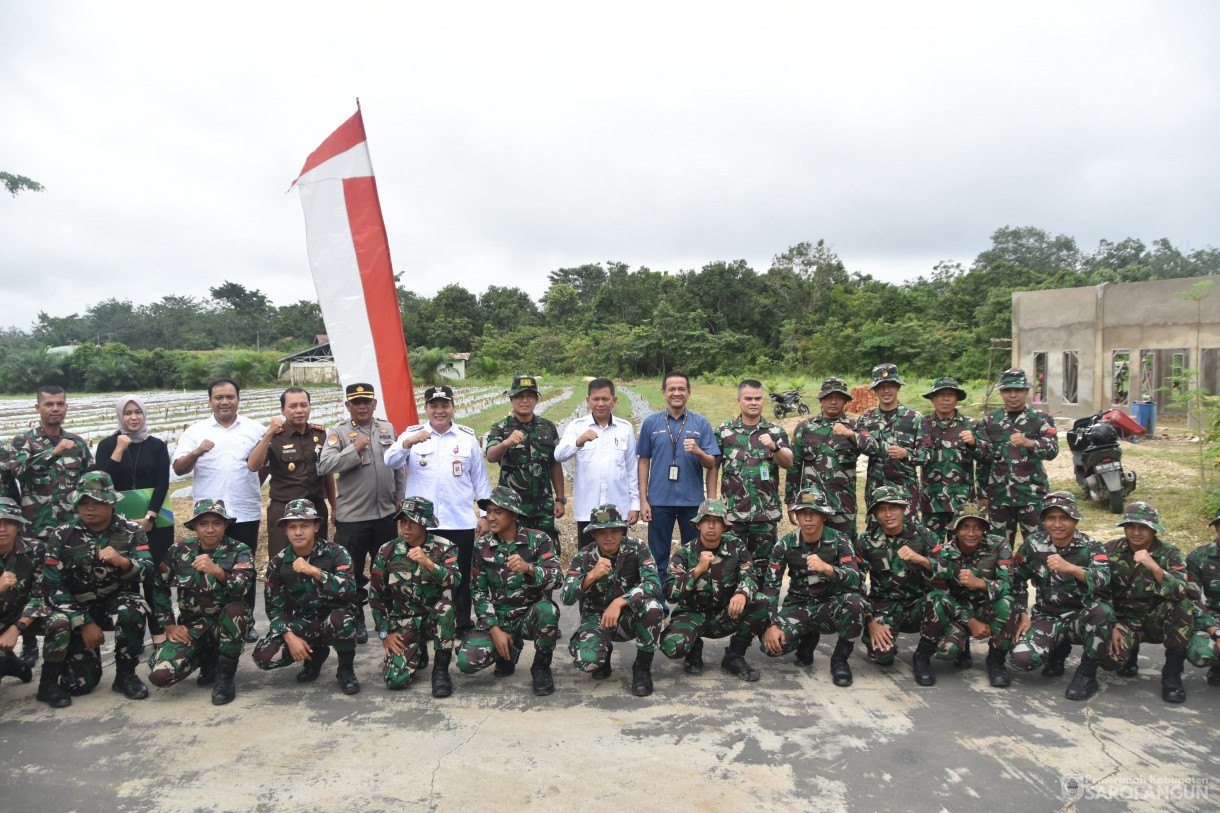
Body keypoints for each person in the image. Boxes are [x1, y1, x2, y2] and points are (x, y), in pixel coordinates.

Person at [21, 471, 152, 707]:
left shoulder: (131, 530)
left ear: (111, 502)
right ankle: (55, 676)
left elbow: (148, 570)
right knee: (80, 685)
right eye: (83, 502)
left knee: (132, 609)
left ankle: (125, 675)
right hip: (76, 606)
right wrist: (84, 622)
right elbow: (53, 586)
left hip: (115, 599)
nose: (89, 508)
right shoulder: (61, 536)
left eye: (97, 502)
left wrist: (124, 562)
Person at [385, 385, 489, 639]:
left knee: (461, 578)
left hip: (459, 521)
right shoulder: (411, 435)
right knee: (421, 576)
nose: (439, 411)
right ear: (426, 409)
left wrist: (485, 515)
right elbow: (390, 461)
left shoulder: (466, 438)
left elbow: (480, 478)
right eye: (434, 406)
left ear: (453, 408)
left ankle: (463, 625)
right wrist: (408, 443)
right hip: (423, 524)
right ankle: (425, 625)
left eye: (445, 405)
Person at [0, 384, 93, 666]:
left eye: (60, 404)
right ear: (37, 407)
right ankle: (29, 641)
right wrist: (54, 452)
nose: (55, 409)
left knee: (71, 583)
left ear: (66, 407)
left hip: (71, 530)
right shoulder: (23, 442)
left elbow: (88, 484)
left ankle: (75, 640)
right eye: (49, 404)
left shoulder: (77, 443)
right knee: (31, 588)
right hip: (35, 531)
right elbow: (19, 472)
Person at [172, 378, 266, 641]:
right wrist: (197, 451)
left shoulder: (254, 429)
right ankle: (210, 620)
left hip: (245, 511)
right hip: (210, 518)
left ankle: (244, 621)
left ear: (238, 399)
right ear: (210, 400)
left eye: (230, 397)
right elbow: (179, 468)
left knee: (244, 569)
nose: (224, 402)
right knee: (209, 568)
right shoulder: (195, 431)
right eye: (218, 397)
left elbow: (262, 464)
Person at [318, 383, 405, 645]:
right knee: (351, 573)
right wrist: (353, 448)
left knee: (389, 570)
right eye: (356, 402)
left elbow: (398, 464)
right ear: (348, 406)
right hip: (353, 519)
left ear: (374, 403)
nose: (362, 406)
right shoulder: (338, 432)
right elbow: (325, 466)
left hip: (385, 516)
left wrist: (400, 495)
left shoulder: (386, 428)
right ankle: (354, 618)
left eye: (366, 401)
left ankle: (390, 617)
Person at [146, 499, 254, 705]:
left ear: (226, 525)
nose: (210, 529)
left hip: (227, 623)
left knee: (236, 611)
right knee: (160, 677)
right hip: (193, 626)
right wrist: (168, 624)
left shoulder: (239, 550)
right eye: (204, 523)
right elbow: (158, 585)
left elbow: (245, 587)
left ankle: (225, 678)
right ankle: (206, 657)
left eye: (217, 523)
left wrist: (218, 571)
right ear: (194, 526)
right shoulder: (179, 551)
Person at [455, 487, 561, 696]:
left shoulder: (539, 540)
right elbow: (478, 592)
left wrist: (530, 569)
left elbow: (557, 580)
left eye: (498, 512)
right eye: (489, 512)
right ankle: (507, 655)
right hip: (499, 616)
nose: (491, 518)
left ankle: (541, 667)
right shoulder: (482, 545)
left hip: (528, 615)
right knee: (467, 663)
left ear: (514, 515)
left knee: (548, 610)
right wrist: (494, 629)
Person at [1009, 492, 1113, 702]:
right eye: (1051, 518)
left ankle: (1086, 674)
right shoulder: (1033, 544)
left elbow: (1104, 578)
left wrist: (1072, 568)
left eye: (1064, 518)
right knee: (1022, 660)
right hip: (1048, 617)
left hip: (1081, 618)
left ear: (1075, 519)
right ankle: (1057, 652)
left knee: (1102, 613)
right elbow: (1015, 578)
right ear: (1044, 521)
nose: (1057, 524)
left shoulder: (1091, 546)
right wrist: (1022, 612)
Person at [760, 488, 868, 687]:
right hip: (799, 606)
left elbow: (855, 579)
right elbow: (771, 588)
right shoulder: (784, 545)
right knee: (771, 647)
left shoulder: (840, 540)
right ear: (796, 516)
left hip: (829, 606)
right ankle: (807, 638)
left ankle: (840, 660)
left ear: (824, 516)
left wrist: (828, 568)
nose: (808, 518)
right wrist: (772, 624)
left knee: (856, 603)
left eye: (814, 513)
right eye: (803, 513)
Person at [251, 499, 360, 695]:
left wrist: (316, 572)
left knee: (343, 622)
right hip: (304, 621)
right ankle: (314, 657)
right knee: (264, 656)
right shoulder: (279, 562)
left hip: (334, 617)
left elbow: (350, 589)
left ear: (316, 526)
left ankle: (345, 670)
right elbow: (275, 607)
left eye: (304, 525)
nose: (298, 532)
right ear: (285, 530)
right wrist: (289, 635)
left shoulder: (336, 553)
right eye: (292, 526)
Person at [659, 499, 769, 682]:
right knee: (671, 647)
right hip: (692, 615)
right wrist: (697, 570)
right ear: (698, 524)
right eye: (706, 520)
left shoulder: (736, 546)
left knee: (760, 601)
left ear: (724, 526)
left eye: (717, 520)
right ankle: (693, 647)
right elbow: (670, 594)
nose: (711, 525)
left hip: (725, 614)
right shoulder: (684, 554)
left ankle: (734, 656)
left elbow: (750, 575)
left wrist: (742, 593)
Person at [561, 503, 664, 696]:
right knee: (587, 662)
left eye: (615, 531)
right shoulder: (583, 557)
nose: (609, 537)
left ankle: (642, 668)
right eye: (602, 532)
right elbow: (566, 598)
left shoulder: (637, 548)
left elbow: (654, 584)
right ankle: (603, 654)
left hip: (629, 617)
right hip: (597, 619)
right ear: (593, 534)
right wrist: (590, 576)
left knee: (653, 608)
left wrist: (620, 601)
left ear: (622, 531)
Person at [95, 395, 173, 644]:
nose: (133, 417)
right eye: (127, 413)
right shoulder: (107, 445)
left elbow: (162, 483)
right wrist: (120, 448)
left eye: (138, 412)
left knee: (154, 576)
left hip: (155, 521)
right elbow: (102, 481)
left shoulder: (157, 445)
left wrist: (149, 516)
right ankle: (131, 636)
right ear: (120, 416)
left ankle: (159, 630)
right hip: (118, 525)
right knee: (126, 576)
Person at [1098, 502, 1194, 703]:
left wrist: (1155, 567)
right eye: (1130, 526)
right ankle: (1129, 656)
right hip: (1124, 620)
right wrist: (1111, 623)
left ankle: (1172, 675)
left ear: (1154, 530)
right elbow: (1099, 590)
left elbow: (1181, 590)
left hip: (1156, 619)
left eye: (1143, 527)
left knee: (1182, 607)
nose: (1136, 532)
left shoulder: (1169, 553)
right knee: (1108, 660)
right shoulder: (1110, 549)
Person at [368, 497, 460, 697]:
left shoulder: (445, 547)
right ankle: (417, 650)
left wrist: (429, 563)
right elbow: (376, 596)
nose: (406, 527)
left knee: (446, 608)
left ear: (425, 524)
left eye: (412, 522)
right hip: (403, 623)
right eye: (403, 522)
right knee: (395, 681)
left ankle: (441, 671)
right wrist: (385, 634)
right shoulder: (387, 551)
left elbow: (454, 581)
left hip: (432, 619)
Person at [919, 504, 1018, 688]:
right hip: (960, 613)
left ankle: (996, 661)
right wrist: (971, 622)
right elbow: (943, 597)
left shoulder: (999, 545)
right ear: (955, 529)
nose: (971, 533)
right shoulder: (945, 553)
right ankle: (957, 650)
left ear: (985, 529)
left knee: (1007, 603)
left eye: (977, 527)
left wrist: (980, 583)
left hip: (988, 608)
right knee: (946, 651)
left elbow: (1008, 583)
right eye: (964, 527)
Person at [637, 371, 719, 590]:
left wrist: (698, 451)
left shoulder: (701, 423)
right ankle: (659, 607)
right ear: (663, 392)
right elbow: (643, 461)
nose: (676, 393)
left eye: (681, 389)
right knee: (657, 557)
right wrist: (643, 500)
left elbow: (711, 463)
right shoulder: (651, 423)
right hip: (659, 501)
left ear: (689, 393)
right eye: (671, 389)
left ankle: (691, 607)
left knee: (694, 557)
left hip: (692, 502)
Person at [855, 487, 940, 684]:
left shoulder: (924, 535)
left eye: (894, 507)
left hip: (918, 606)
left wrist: (921, 559)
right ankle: (885, 640)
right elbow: (856, 586)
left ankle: (922, 657)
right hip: (883, 607)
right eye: (882, 509)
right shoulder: (866, 541)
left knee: (940, 600)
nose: (888, 514)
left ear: (903, 509)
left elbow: (947, 570)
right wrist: (870, 621)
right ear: (875, 514)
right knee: (881, 656)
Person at [246, 386, 336, 563]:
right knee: (282, 562)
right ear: (282, 410)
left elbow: (327, 473)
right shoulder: (274, 437)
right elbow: (253, 465)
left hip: (315, 509)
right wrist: (269, 433)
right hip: (284, 510)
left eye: (304, 405)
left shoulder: (320, 434)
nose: (299, 410)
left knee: (318, 560)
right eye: (293, 406)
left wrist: (334, 505)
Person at [785, 377, 880, 544]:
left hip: (843, 505)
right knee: (811, 549)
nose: (833, 401)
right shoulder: (805, 428)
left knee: (845, 548)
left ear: (845, 401)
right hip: (811, 505)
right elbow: (794, 466)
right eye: (829, 397)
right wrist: (791, 500)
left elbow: (873, 448)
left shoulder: (855, 426)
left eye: (839, 397)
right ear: (821, 399)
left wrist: (850, 435)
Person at [713, 379, 793, 574]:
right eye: (748, 398)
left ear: (763, 401)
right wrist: (712, 499)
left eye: (758, 398)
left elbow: (788, 462)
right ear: (739, 400)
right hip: (732, 514)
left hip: (764, 515)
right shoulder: (724, 432)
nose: (753, 402)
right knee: (731, 564)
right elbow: (713, 466)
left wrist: (774, 448)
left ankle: (761, 603)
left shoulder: (775, 431)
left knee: (763, 567)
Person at [978, 368, 1060, 548]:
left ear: (1027, 391)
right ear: (1001, 392)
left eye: (1018, 390)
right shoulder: (990, 420)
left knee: (1039, 546)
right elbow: (984, 460)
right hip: (999, 496)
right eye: (1007, 390)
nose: (1013, 395)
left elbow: (1052, 450)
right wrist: (982, 494)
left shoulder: (1041, 419)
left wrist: (1030, 444)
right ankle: (1003, 577)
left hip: (1031, 496)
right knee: (998, 548)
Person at [555, 378, 639, 550]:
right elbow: (559, 455)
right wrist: (579, 441)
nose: (600, 403)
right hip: (588, 508)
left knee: (619, 556)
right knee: (587, 557)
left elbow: (631, 470)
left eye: (605, 399)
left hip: (618, 507)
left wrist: (634, 506)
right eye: (595, 399)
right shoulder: (577, 426)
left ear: (614, 401)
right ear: (588, 401)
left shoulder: (625, 428)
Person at [486, 375, 565, 548]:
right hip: (511, 507)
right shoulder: (501, 428)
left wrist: (560, 498)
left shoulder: (548, 427)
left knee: (546, 549)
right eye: (519, 396)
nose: (524, 400)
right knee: (512, 551)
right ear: (511, 399)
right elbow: (491, 456)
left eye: (530, 396)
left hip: (542, 505)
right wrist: (506, 443)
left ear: (536, 399)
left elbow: (555, 464)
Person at [916, 377, 989, 539]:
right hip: (932, 501)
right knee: (932, 548)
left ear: (957, 399)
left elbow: (987, 457)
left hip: (962, 503)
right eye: (941, 395)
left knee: (962, 547)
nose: (946, 398)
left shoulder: (971, 424)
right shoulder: (923, 424)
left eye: (951, 394)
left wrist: (974, 443)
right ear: (932, 399)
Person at [857, 364, 923, 528]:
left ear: (898, 387)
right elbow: (853, 450)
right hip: (876, 490)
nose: (886, 391)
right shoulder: (866, 419)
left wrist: (907, 453)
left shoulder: (914, 418)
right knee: (876, 535)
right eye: (881, 387)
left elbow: (927, 453)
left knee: (909, 535)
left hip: (905, 491)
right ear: (875, 390)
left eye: (890, 386)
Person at [0, 498, 41, 685]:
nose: (2, 528)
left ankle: (49, 680)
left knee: (62, 622)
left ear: (18, 525)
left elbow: (45, 594)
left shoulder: (36, 549)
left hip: (27, 617)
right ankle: (11, 663)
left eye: (8, 522)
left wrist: (17, 628)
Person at [1185, 509, 1220, 687]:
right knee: (1201, 652)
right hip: (1214, 618)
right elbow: (1192, 598)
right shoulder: (1199, 557)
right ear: (1216, 529)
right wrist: (1215, 630)